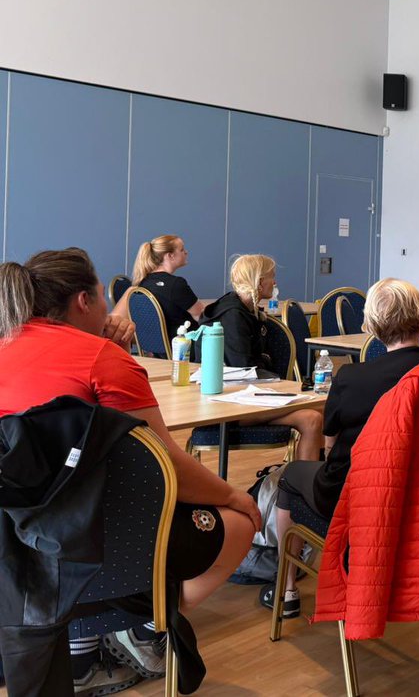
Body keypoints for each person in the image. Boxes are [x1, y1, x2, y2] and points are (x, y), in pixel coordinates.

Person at [0, 249, 259, 695]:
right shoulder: (100, 358)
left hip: (14, 557)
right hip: (95, 553)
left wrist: (110, 349)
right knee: (238, 522)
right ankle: (143, 628)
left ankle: (83, 646)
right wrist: (234, 496)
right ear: (84, 301)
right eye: (103, 296)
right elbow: (163, 469)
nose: (108, 306)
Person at [259, 278, 419, 619]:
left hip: (357, 498)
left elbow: (331, 445)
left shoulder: (352, 378)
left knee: (291, 475)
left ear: (371, 325)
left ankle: (287, 589)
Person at [200, 254, 322, 461]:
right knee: (312, 418)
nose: (275, 282)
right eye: (271, 276)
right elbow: (243, 368)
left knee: (326, 408)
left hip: (250, 394)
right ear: (258, 281)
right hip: (232, 403)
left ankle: (320, 475)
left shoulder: (246, 310)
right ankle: (303, 486)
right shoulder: (233, 317)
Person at [115, 234, 204, 338]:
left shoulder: (142, 283)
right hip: (184, 347)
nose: (186, 252)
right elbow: (201, 316)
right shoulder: (176, 284)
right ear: (170, 255)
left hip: (157, 349)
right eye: (182, 249)